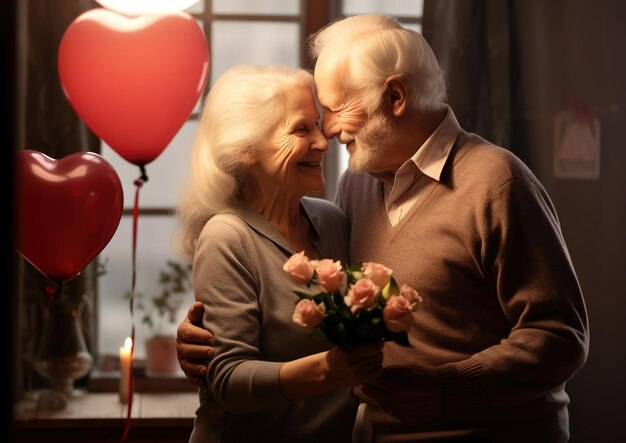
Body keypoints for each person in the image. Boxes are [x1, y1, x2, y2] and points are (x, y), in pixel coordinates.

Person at [176, 15, 589, 442]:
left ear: (395, 95)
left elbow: (560, 335)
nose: (330, 131)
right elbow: (329, 313)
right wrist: (209, 342)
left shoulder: (497, 181)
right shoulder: (356, 185)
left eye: (336, 110)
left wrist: (449, 388)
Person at [173, 64, 384, 443]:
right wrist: (330, 369)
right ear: (247, 149)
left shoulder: (333, 221)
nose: (323, 141)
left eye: (318, 125)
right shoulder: (227, 236)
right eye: (302, 129)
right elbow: (228, 382)